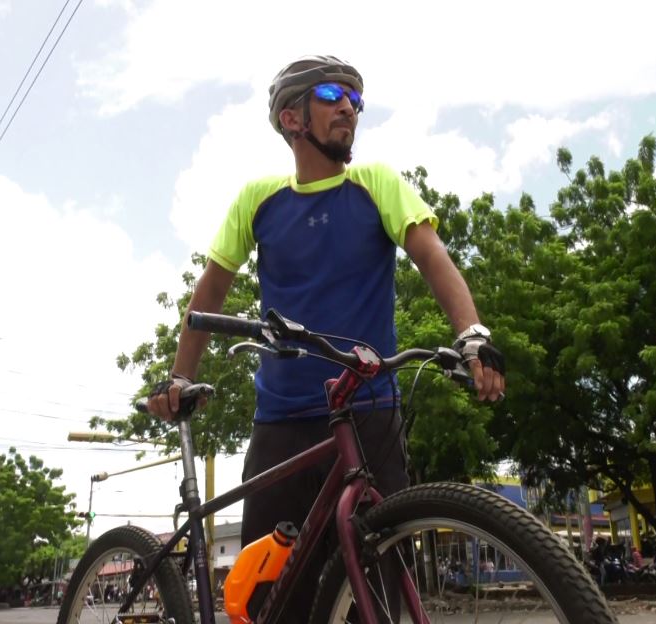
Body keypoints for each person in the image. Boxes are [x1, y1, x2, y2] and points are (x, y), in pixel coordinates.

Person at [146, 55, 506, 622]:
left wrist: (473, 334)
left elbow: (432, 259)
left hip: (368, 415)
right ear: (292, 118)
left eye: (356, 100)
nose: (349, 107)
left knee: (380, 590)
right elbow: (208, 295)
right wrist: (180, 377)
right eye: (333, 94)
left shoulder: (376, 183)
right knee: (272, 601)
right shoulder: (259, 199)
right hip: (281, 424)